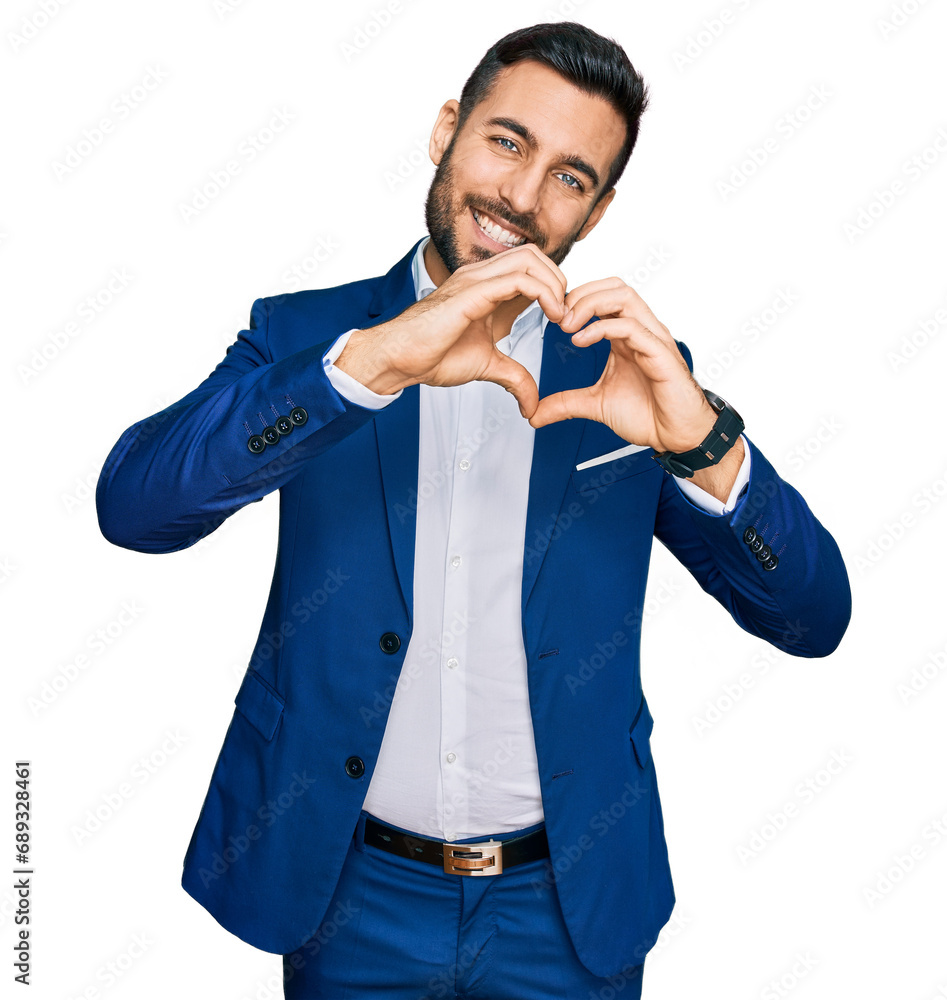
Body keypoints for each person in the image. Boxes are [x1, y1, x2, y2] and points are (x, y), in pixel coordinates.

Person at [96, 21, 851, 1000]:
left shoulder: (629, 377)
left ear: (599, 208)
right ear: (446, 128)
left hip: (567, 908)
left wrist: (703, 443)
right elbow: (136, 504)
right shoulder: (315, 336)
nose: (522, 197)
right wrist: (364, 371)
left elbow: (810, 618)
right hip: (347, 889)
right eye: (506, 141)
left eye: (570, 177)